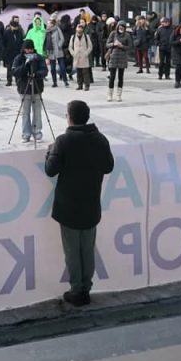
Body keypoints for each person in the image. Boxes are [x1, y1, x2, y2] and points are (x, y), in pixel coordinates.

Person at [44, 100, 114, 307]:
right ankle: (86, 287)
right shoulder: (100, 139)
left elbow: (50, 169)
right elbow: (108, 166)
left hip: (69, 206)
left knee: (73, 252)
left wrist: (50, 151)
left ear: (70, 117)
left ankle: (77, 290)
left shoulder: (64, 141)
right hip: (91, 203)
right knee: (87, 249)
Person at [12, 40, 47, 142]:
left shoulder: (39, 57)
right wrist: (25, 66)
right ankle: (26, 134)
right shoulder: (19, 58)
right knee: (25, 112)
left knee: (37, 112)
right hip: (24, 88)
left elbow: (44, 71)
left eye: (31, 49)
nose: (29, 51)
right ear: (24, 49)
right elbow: (14, 72)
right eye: (27, 49)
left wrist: (37, 74)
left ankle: (37, 132)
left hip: (37, 88)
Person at [106, 21, 129, 102]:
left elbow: (130, 47)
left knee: (120, 77)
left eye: (123, 27)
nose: (121, 28)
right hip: (113, 57)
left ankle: (119, 95)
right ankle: (110, 94)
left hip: (122, 58)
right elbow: (107, 44)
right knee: (112, 77)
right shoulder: (113, 33)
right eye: (120, 27)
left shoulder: (127, 35)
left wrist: (121, 46)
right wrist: (113, 44)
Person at [2, 16, 25, 87]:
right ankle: (9, 81)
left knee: (17, 67)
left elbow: (22, 42)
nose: (15, 28)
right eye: (14, 27)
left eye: (16, 27)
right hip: (9, 53)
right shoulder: (6, 32)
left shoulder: (19, 33)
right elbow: (3, 43)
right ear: (11, 26)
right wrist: (4, 53)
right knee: (9, 68)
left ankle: (17, 80)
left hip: (17, 52)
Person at [44, 19, 68, 88]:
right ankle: (55, 82)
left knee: (62, 67)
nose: (48, 24)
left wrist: (59, 45)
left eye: (49, 23)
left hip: (58, 50)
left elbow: (62, 38)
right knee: (52, 68)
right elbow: (45, 41)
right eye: (47, 23)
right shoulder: (47, 31)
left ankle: (65, 80)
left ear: (52, 24)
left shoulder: (57, 29)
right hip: (51, 52)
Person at [69, 24, 93, 91]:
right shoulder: (73, 37)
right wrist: (73, 53)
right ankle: (80, 85)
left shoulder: (86, 36)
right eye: (78, 28)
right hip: (76, 57)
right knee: (78, 72)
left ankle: (87, 85)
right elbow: (70, 47)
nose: (79, 29)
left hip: (84, 57)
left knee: (85, 73)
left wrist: (86, 53)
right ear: (76, 29)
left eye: (81, 28)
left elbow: (90, 46)